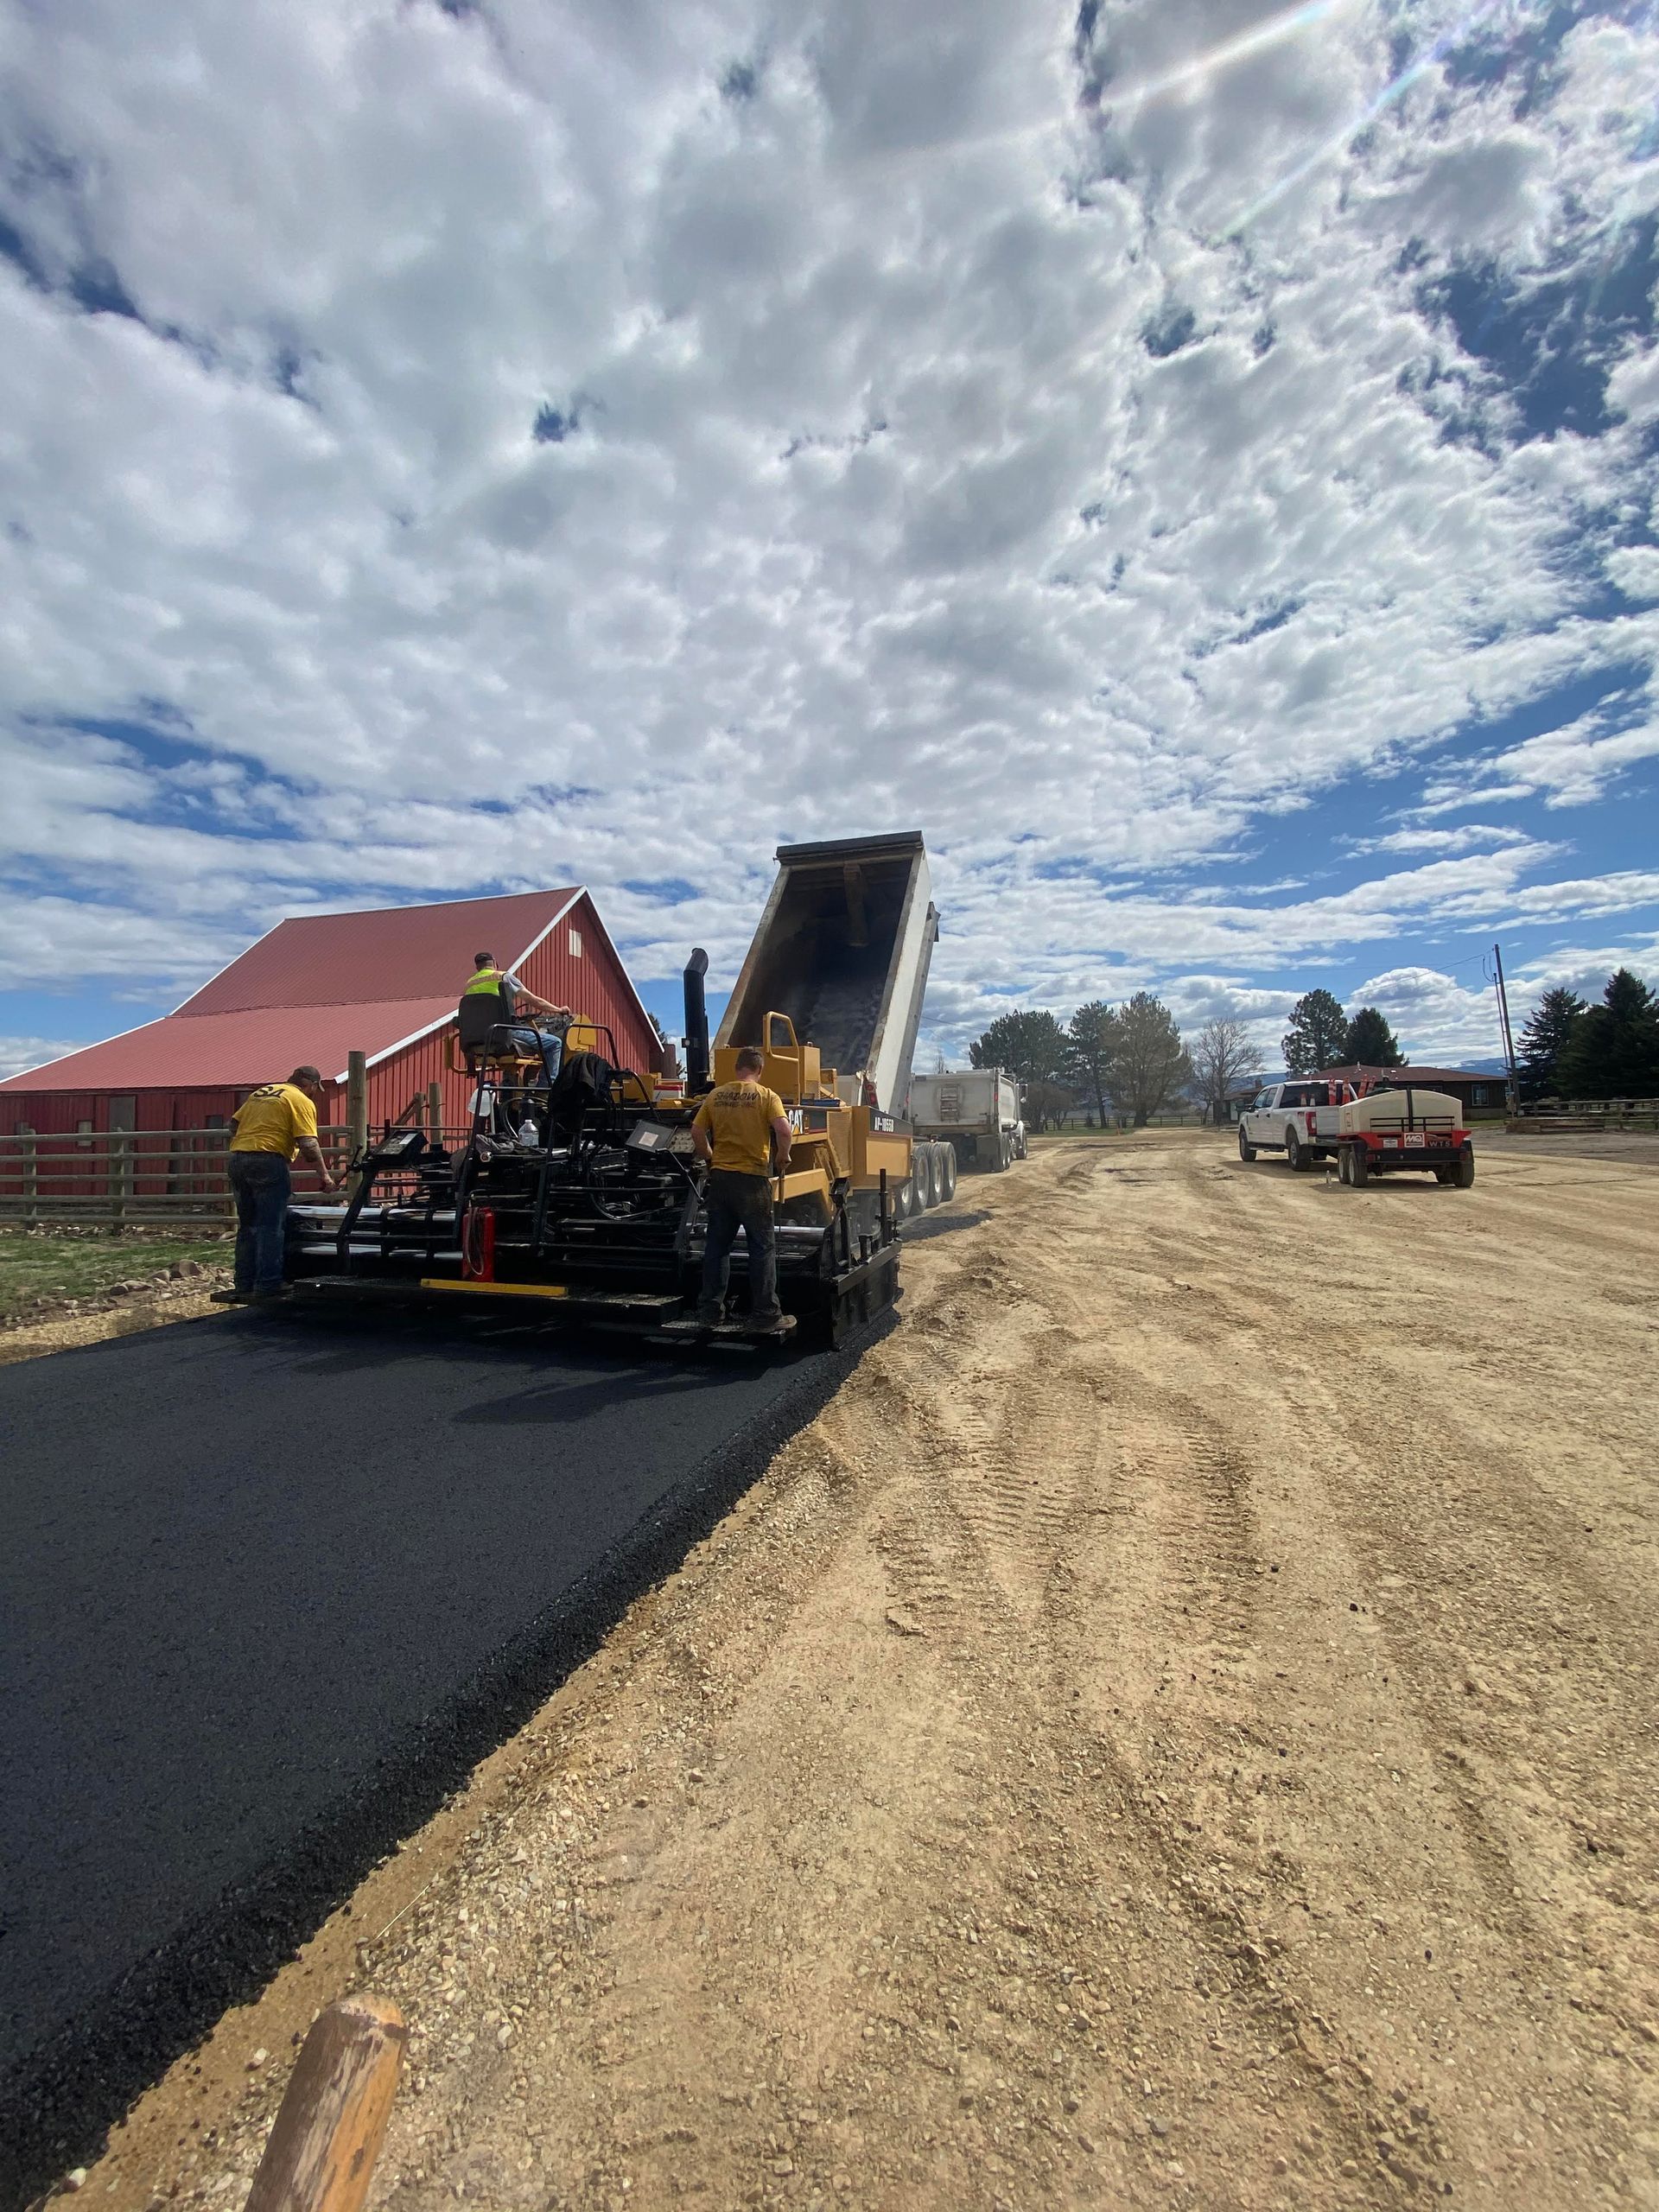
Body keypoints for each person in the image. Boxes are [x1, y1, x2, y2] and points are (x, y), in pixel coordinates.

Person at [217, 1065, 341, 1305]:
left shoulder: (262, 1093)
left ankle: (244, 1282)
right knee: (271, 1225)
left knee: (248, 1225)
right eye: (315, 1089)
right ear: (310, 1085)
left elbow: (234, 1125)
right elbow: (308, 1144)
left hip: (239, 1159)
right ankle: (269, 1284)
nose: (314, 1093)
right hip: (269, 1161)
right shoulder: (300, 1100)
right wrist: (325, 1177)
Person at [690, 1046, 792, 1332]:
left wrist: (710, 1157)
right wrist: (783, 1157)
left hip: (721, 1179)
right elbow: (784, 1131)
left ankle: (710, 1312)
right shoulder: (767, 1096)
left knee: (717, 1246)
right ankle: (766, 1315)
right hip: (752, 1180)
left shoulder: (715, 1095)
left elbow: (696, 1131)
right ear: (759, 1070)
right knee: (761, 1247)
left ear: (737, 1069)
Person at [464, 952, 573, 1100]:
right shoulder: (503, 976)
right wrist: (559, 1010)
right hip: (504, 1032)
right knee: (555, 1043)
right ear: (495, 963)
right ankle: (544, 1091)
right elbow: (533, 1000)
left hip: (480, 1038)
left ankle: (513, 1087)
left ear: (477, 968)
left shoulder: (470, 984)